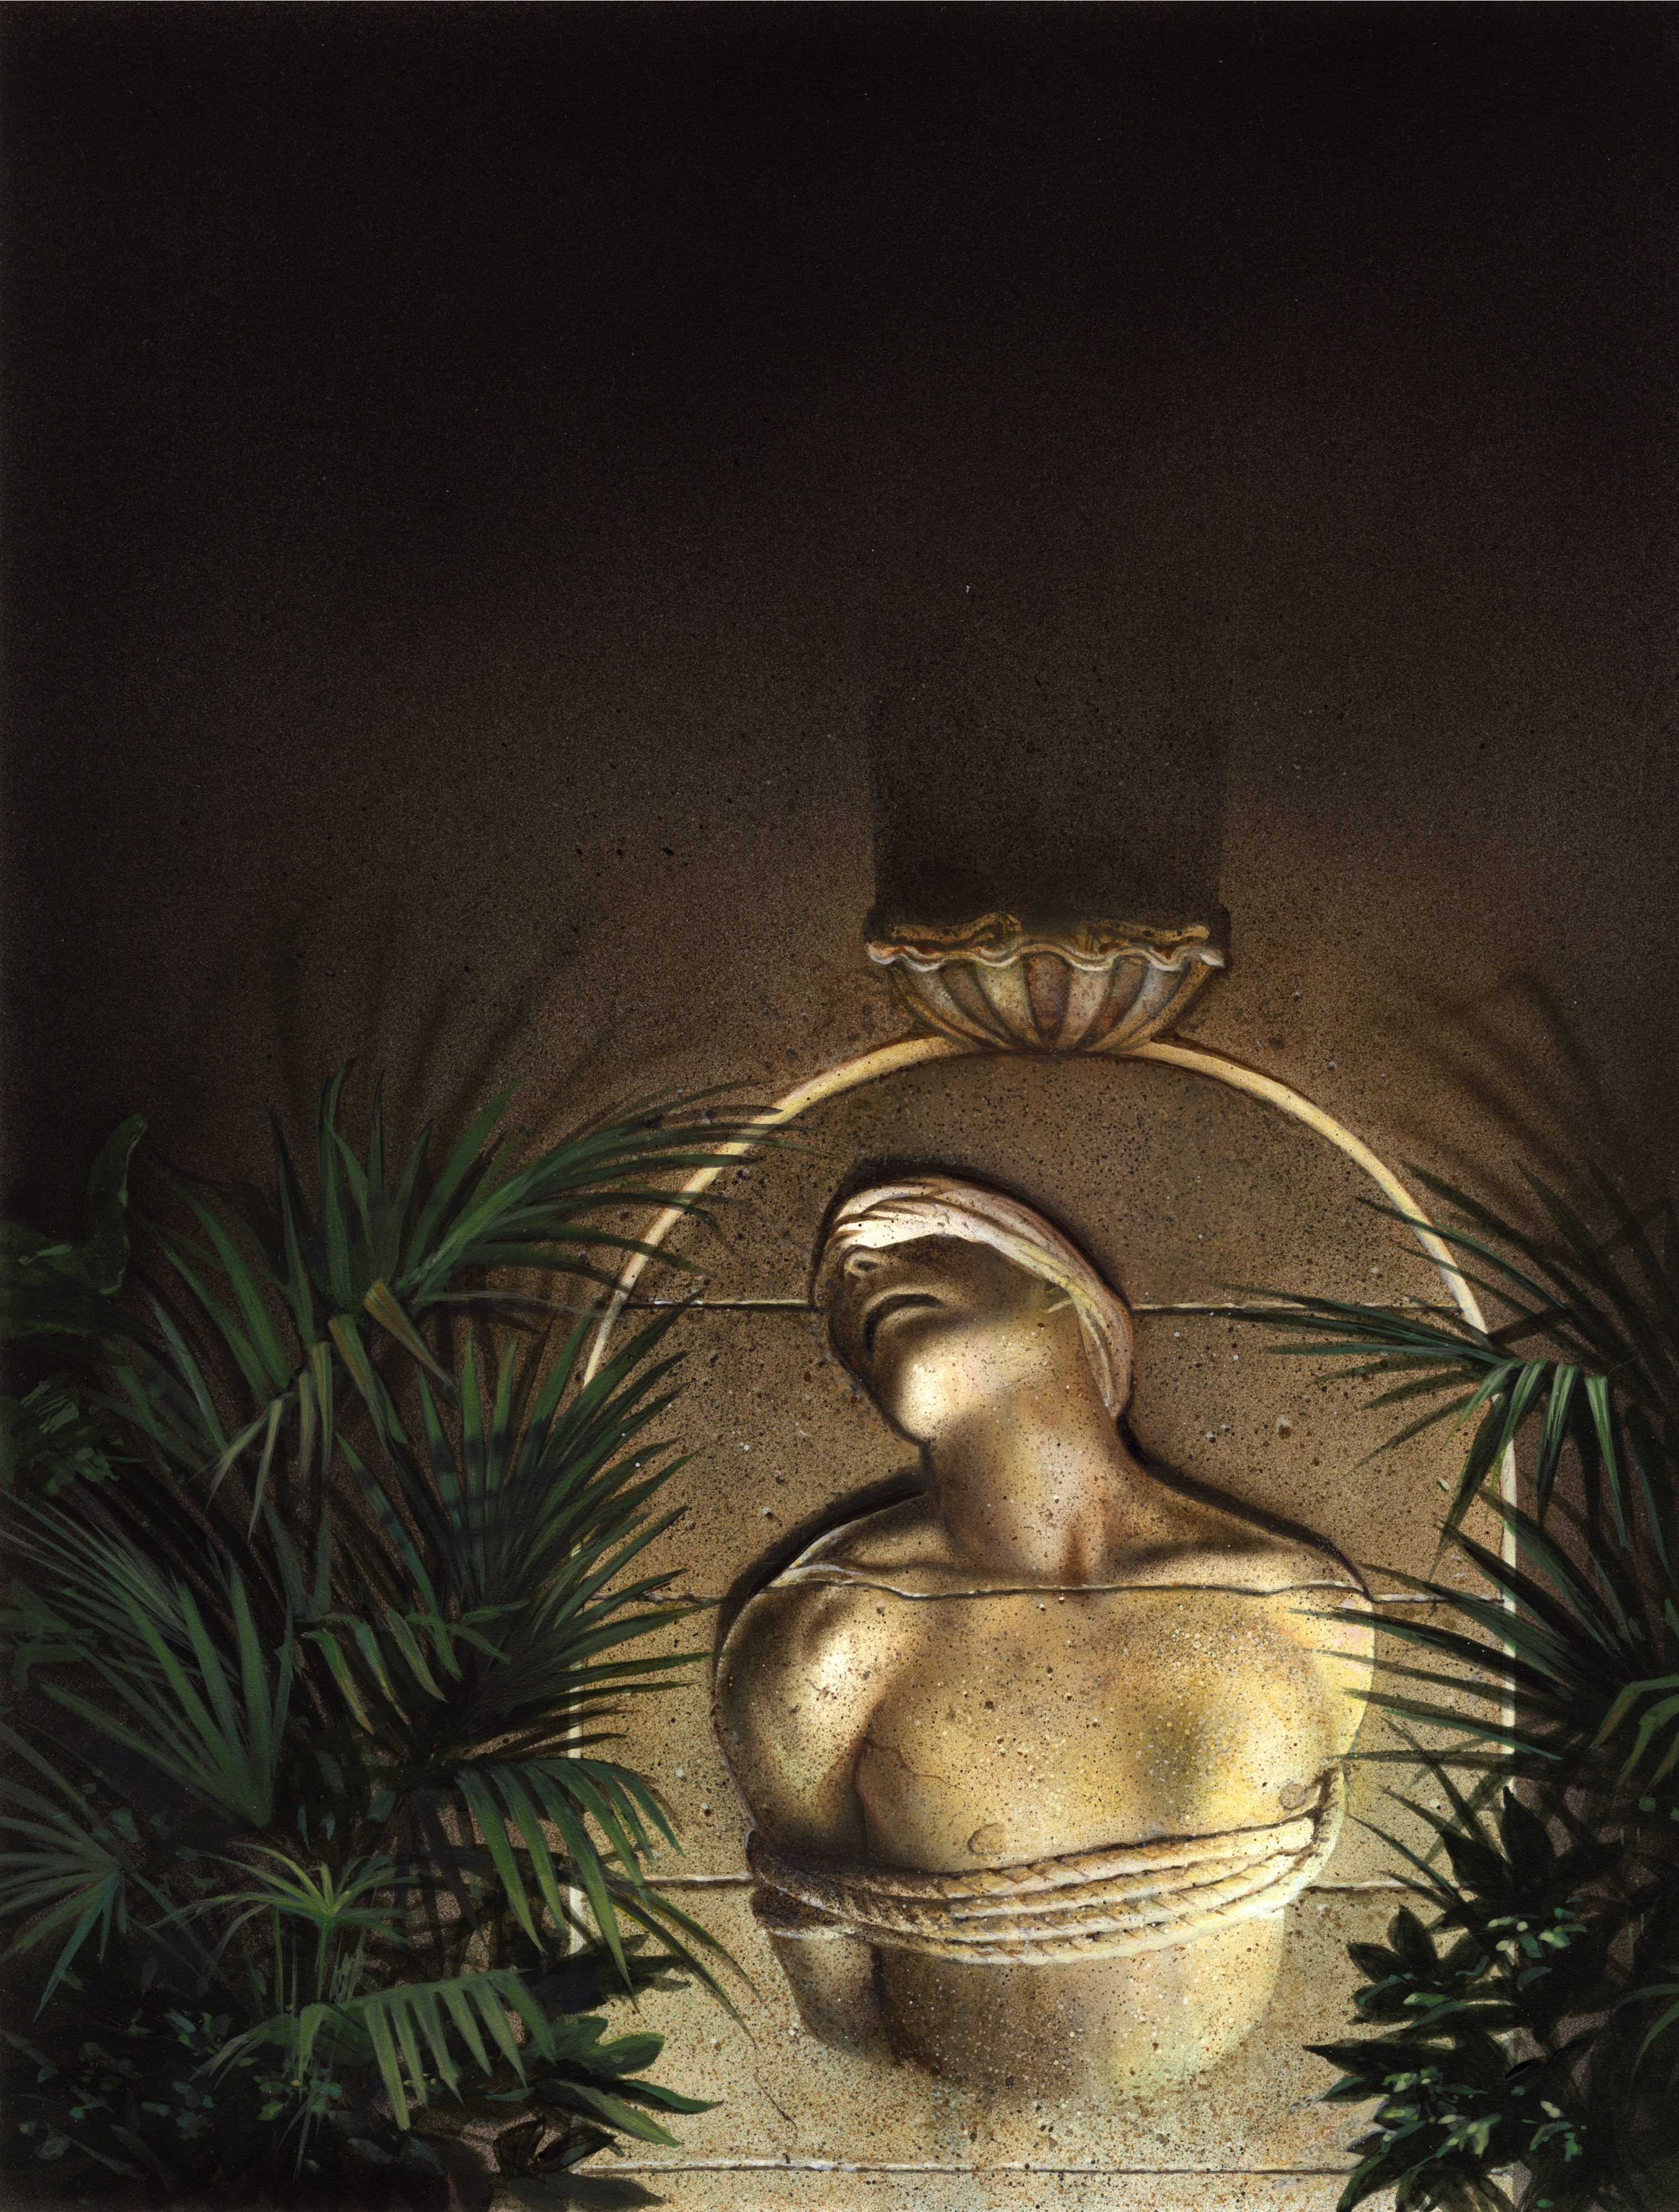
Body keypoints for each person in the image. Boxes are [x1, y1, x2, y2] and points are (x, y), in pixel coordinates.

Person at [713, 1178, 1374, 2097]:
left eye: (920, 1232)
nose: (857, 1267)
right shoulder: (823, 1637)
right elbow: (830, 1978)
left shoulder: (1301, 1606)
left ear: (1072, 1295)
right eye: (843, 1279)